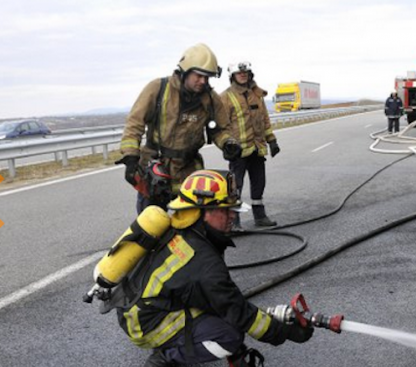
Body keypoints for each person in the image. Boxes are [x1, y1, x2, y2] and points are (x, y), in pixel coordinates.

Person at [116, 169, 314, 367]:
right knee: (229, 335)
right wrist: (285, 332)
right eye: (224, 210)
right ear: (200, 212)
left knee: (222, 313)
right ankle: (165, 359)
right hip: (144, 323)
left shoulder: (182, 229)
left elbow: (222, 301)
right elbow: (238, 311)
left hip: (138, 306)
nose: (232, 216)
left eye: (233, 210)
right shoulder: (204, 261)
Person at [117, 43, 241, 214]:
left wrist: (228, 143)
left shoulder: (211, 98)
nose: (203, 81)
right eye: (199, 76)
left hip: (189, 169)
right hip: (156, 169)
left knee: (191, 227)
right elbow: (134, 123)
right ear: (185, 71)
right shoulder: (158, 89)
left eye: (207, 77)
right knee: (152, 226)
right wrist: (131, 156)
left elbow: (220, 129)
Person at [220, 61, 280, 228]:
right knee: (235, 187)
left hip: (257, 148)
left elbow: (265, 120)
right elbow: (221, 125)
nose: (243, 75)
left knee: (259, 182)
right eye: (239, 73)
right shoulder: (225, 97)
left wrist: (272, 141)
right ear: (232, 76)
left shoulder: (256, 94)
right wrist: (227, 144)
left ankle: (260, 216)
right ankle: (234, 221)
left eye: (245, 73)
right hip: (238, 151)